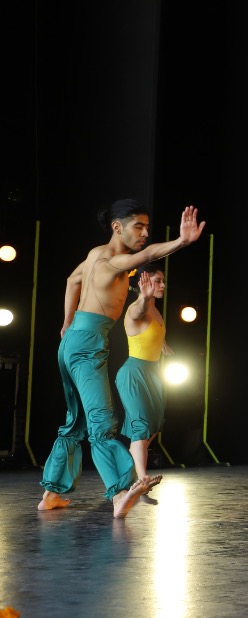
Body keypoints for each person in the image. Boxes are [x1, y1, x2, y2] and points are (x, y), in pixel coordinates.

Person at [38, 201, 205, 518]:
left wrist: (66, 322)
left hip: (76, 340)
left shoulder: (94, 254)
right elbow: (148, 255)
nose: (144, 233)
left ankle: (51, 495)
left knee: (77, 421)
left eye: (146, 227)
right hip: (86, 345)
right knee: (102, 422)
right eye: (138, 226)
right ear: (118, 227)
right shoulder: (113, 260)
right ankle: (120, 493)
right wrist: (182, 241)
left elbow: (72, 281)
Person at [115, 262, 171, 498]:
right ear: (144, 282)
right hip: (133, 374)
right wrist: (144, 298)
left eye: (163, 281)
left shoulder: (157, 311)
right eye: (158, 281)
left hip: (153, 373)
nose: (163, 285)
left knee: (155, 425)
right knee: (141, 425)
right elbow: (138, 312)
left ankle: (130, 471)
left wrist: (163, 345)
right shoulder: (136, 308)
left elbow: (152, 334)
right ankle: (141, 479)